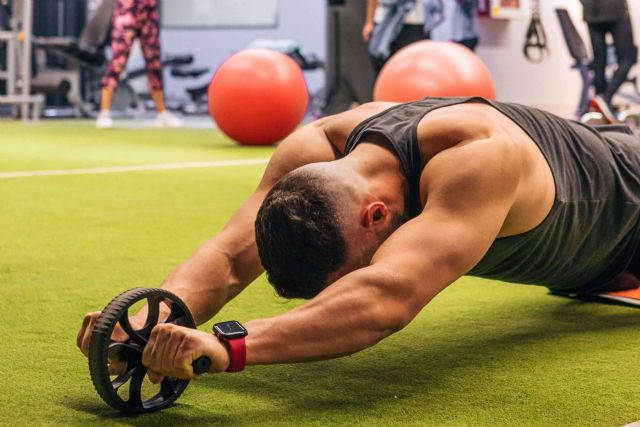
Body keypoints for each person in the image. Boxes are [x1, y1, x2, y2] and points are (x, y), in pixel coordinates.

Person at [78, 96, 640, 380]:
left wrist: (228, 345)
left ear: (375, 215)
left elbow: (383, 298)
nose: (347, 286)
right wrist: (155, 321)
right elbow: (229, 256)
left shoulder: (477, 159)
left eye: (347, 272)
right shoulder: (315, 149)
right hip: (589, 249)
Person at [96, 0, 182, 129]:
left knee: (155, 64)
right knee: (117, 63)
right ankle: (104, 114)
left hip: (148, 11)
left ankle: (162, 113)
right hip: (127, 10)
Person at [580, 0, 637, 123]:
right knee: (628, 58)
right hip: (614, 8)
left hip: (591, 10)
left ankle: (601, 105)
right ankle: (605, 98)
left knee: (599, 62)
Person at [363, 0, 443, 74]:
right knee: (381, 66)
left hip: (414, 24)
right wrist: (369, 21)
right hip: (383, 24)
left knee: (411, 69)